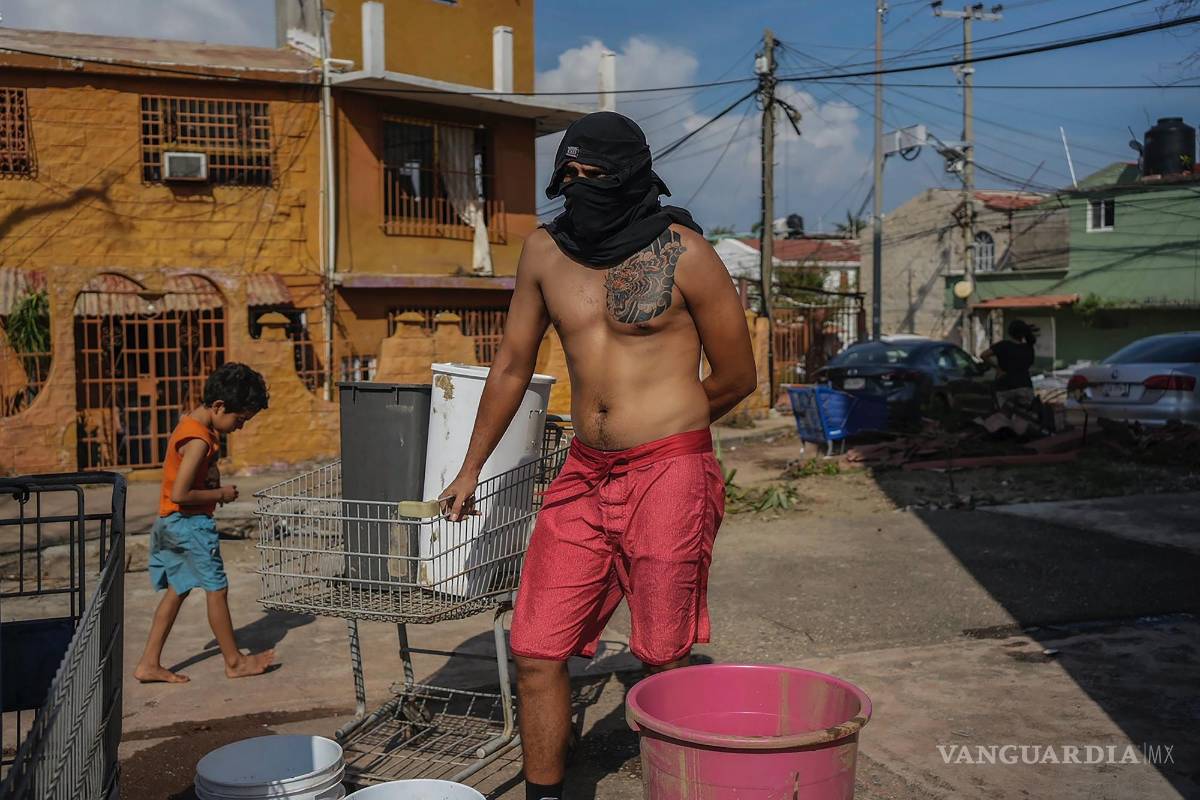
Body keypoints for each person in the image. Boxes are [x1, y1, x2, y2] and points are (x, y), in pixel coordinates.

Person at [438, 112, 758, 800]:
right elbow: (511, 366)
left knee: (662, 655)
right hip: (583, 473)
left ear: (633, 174)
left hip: (669, 469)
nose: (581, 188)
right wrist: (471, 467)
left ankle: (676, 787)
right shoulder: (544, 253)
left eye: (597, 175)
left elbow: (737, 375)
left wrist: (668, 431)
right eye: (570, 175)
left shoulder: (686, 253)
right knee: (536, 649)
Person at [133, 363, 276, 684]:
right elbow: (181, 493)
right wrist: (220, 493)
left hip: (173, 523)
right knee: (217, 589)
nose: (239, 428)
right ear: (219, 407)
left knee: (177, 590)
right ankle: (235, 661)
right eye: (239, 420)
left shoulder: (191, 425)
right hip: (189, 524)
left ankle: (148, 663)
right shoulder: (198, 439)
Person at [982, 319, 1039, 407]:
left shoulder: (1003, 345)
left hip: (1004, 387)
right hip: (1024, 386)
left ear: (1010, 332)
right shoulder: (1028, 348)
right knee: (1027, 416)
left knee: (1003, 417)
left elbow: (984, 355)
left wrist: (998, 369)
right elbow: (1030, 364)